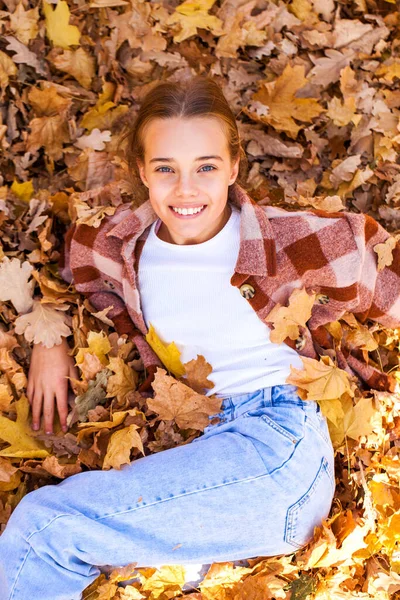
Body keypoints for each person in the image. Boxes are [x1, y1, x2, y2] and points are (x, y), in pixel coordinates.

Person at [0, 75, 399, 600]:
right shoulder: (119, 243)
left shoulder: (291, 239)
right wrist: (48, 335)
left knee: (45, 528)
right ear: (143, 171)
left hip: (277, 446)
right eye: (166, 169)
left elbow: (383, 277)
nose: (186, 190)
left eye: (206, 167)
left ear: (233, 167)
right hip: (199, 451)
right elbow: (69, 276)